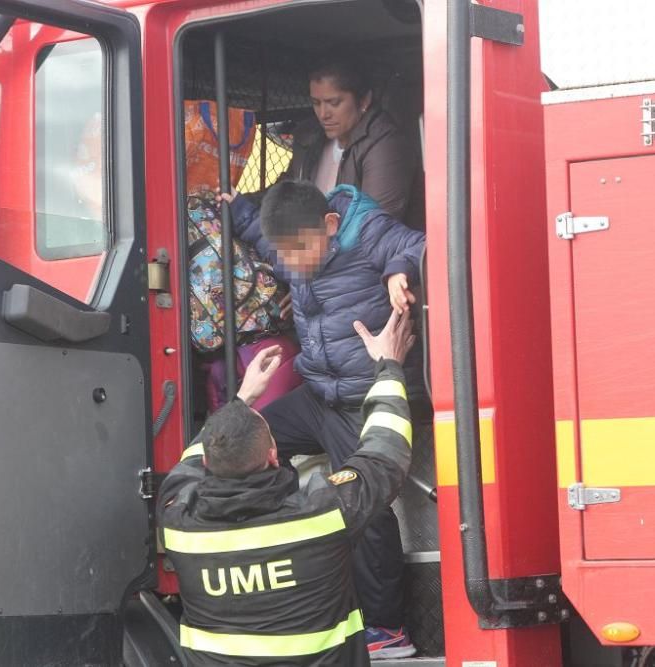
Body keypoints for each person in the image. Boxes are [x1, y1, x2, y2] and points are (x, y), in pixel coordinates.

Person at [224, 179, 427, 658]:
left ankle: (387, 628)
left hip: (362, 399)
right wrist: (238, 211)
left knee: (367, 505)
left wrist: (398, 272)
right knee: (249, 442)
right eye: (284, 252)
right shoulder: (296, 245)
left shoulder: (366, 232)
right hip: (317, 393)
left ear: (330, 226)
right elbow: (261, 235)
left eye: (299, 250)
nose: (291, 263)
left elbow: (422, 243)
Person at [159, 308, 417, 665]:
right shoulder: (323, 513)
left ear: (207, 465)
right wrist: (388, 366)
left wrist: (241, 400)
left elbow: (189, 461)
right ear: (273, 454)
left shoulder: (177, 517)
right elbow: (385, 452)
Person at [284, 57, 424, 229]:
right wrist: (242, 207)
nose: (323, 114)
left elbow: (372, 229)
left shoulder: (385, 145)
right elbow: (282, 196)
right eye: (316, 103)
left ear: (364, 101)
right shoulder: (311, 140)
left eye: (334, 103)